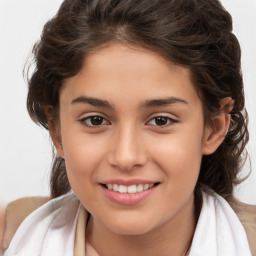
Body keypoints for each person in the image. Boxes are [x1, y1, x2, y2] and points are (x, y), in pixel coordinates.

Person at [1, 0, 255, 255]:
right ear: (57, 131)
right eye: (95, 120)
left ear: (213, 128)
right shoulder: (11, 239)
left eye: (161, 120)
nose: (126, 157)